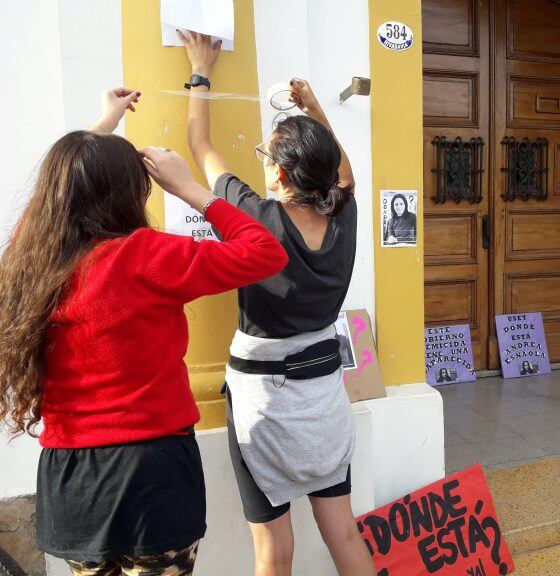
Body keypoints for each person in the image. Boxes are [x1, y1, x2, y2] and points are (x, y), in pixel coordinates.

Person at [0, 88, 288, 575]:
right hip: (151, 472)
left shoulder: (31, 262)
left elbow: (51, 197)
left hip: (73, 478)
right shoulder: (145, 256)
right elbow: (266, 251)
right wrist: (190, 189)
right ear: (129, 193)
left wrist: (101, 128)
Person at [178, 32, 376, 576]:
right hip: (324, 400)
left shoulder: (255, 219)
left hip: (263, 402)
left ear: (281, 174)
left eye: (267, 154)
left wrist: (200, 71)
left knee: (273, 549)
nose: (262, 159)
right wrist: (313, 109)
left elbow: (200, 145)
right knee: (344, 534)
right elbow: (343, 176)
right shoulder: (344, 217)